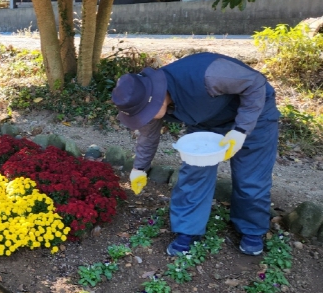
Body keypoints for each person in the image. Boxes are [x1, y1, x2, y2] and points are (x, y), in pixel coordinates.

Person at [111, 52, 280, 257]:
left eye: (145, 113)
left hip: (254, 114)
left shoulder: (210, 74)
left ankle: (252, 230)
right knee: (194, 174)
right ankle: (188, 230)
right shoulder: (145, 102)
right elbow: (148, 136)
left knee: (250, 177)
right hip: (206, 122)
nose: (144, 118)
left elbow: (255, 83)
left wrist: (241, 130)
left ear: (156, 98)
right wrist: (139, 168)